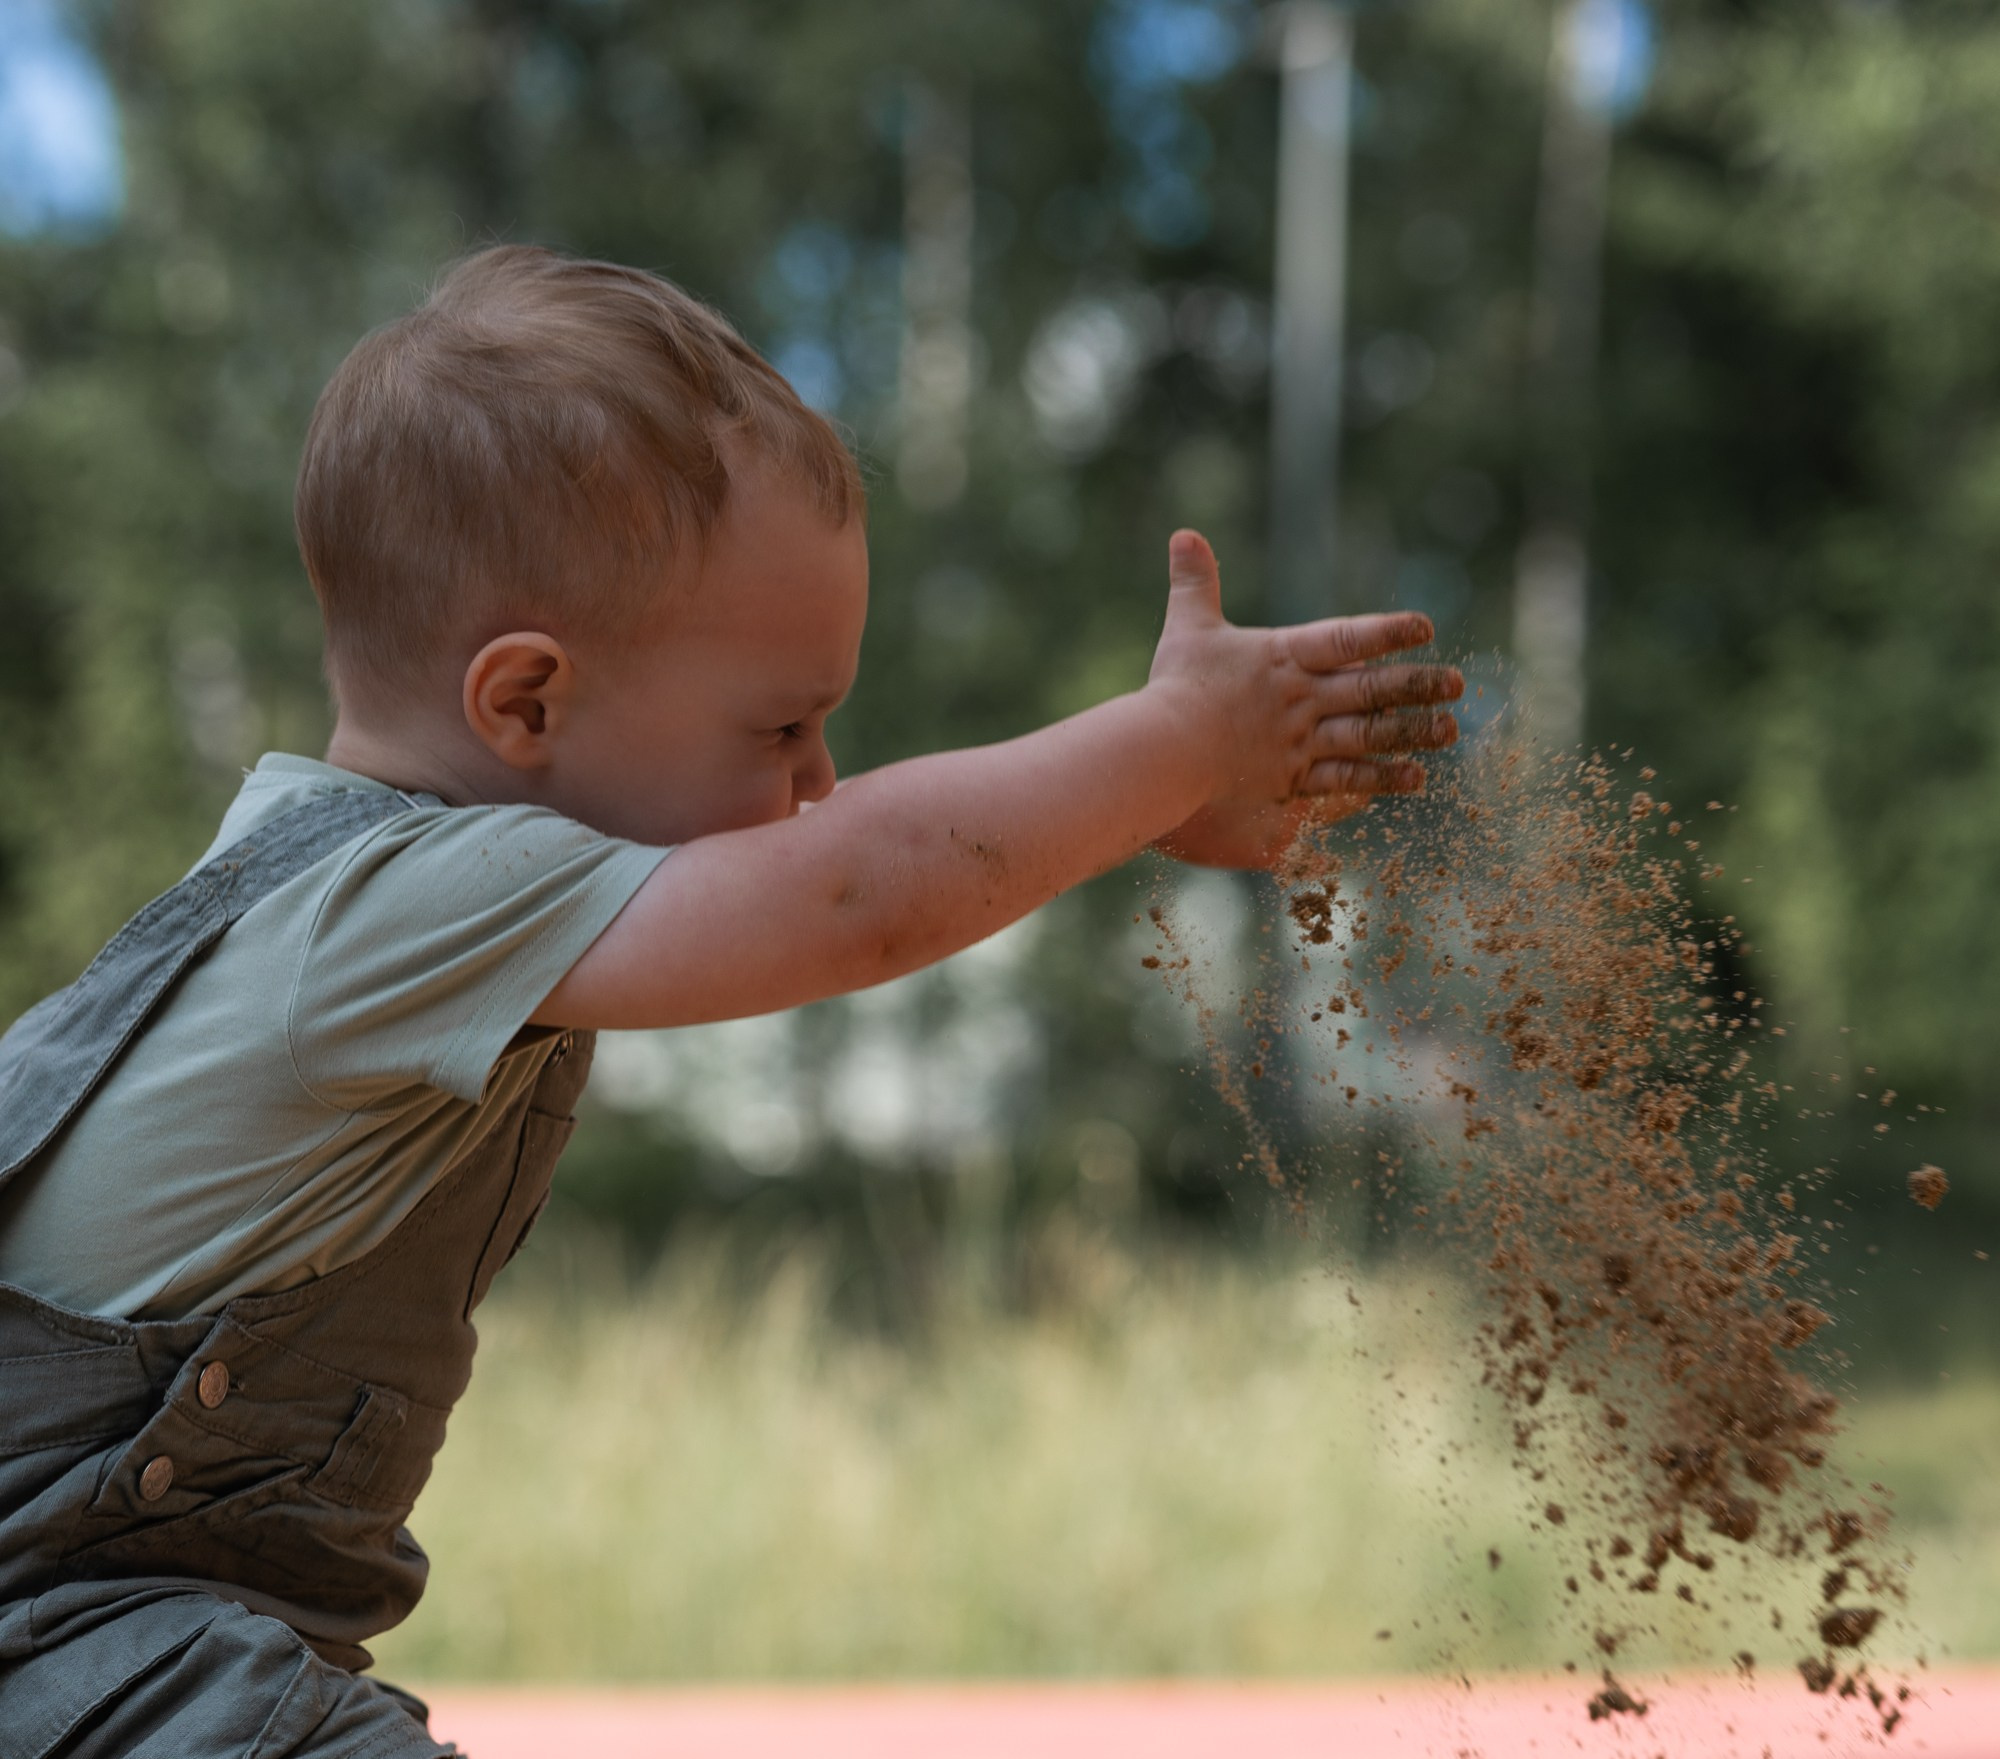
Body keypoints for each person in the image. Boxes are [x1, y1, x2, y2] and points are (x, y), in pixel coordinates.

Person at [0, 244, 1462, 1756]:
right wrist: (1174, 751)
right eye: (784, 723)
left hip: (149, 1630)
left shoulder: (358, 893)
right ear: (524, 704)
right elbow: (860, 893)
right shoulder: (398, 900)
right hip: (69, 1631)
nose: (816, 779)